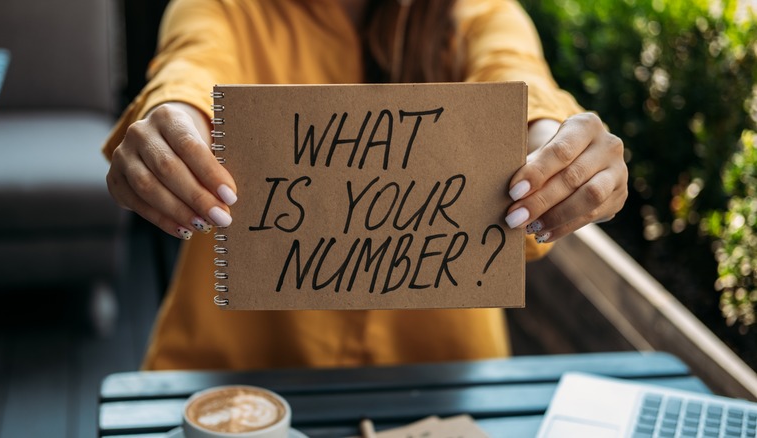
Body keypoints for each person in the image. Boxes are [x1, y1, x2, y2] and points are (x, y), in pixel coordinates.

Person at [103, 0, 628, 370]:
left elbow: (518, 77)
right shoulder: (222, 7)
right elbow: (190, 66)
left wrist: (556, 149)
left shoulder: (475, 12)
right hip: (236, 377)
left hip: (442, 377)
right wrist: (174, 122)